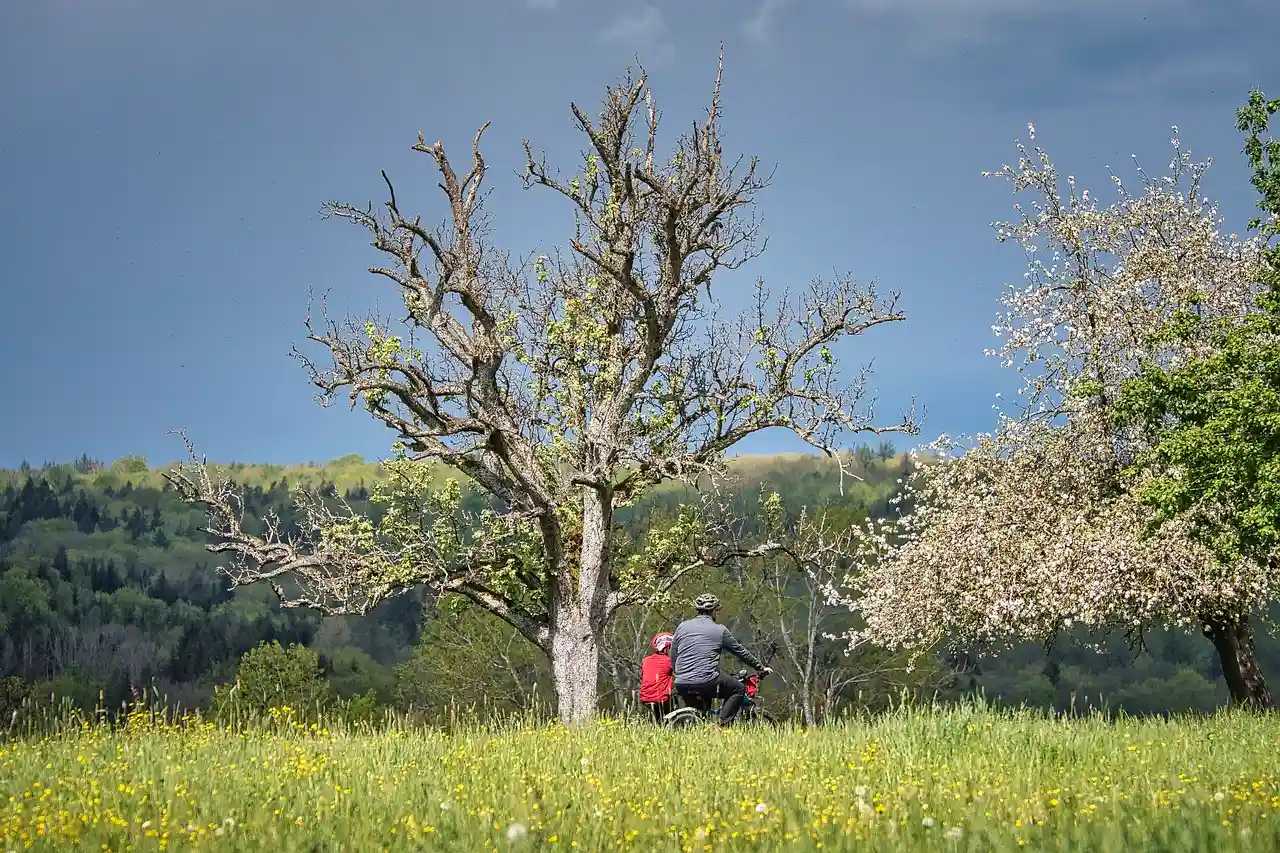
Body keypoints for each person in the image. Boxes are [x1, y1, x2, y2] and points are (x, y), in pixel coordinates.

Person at [669, 593, 771, 726]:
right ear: (714, 610)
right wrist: (760, 667)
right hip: (706, 680)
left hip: (681, 682)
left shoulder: (682, 627)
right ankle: (723, 725)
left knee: (700, 715)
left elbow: (673, 653)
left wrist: (678, 672)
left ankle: (701, 729)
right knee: (739, 689)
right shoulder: (720, 630)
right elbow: (740, 652)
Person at [638, 632, 675, 723]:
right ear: (666, 648)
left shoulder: (646, 660)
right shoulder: (669, 661)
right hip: (661, 699)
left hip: (644, 698)